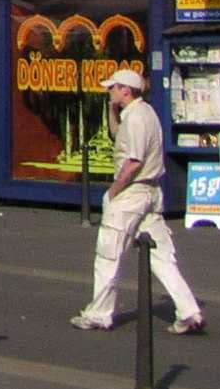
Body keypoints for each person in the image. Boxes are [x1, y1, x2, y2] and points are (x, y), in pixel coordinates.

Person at [72, 68, 205, 335]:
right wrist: (111, 109)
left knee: (108, 254)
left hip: (132, 193)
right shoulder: (145, 113)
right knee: (161, 257)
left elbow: (133, 161)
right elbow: (116, 133)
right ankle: (189, 310)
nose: (109, 91)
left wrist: (114, 191)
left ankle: (99, 313)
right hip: (151, 192)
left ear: (126, 90)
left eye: (113, 88)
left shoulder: (135, 120)